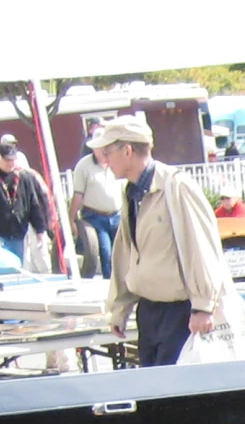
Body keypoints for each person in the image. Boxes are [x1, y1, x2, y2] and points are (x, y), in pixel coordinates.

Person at [91, 114, 227, 368]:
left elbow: (202, 247)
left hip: (180, 312)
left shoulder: (176, 186)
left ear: (127, 150)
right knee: (153, 392)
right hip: (149, 310)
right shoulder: (131, 192)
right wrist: (120, 307)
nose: (105, 161)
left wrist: (203, 306)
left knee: (175, 394)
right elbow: (125, 253)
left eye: (107, 152)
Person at [0, 136, 49, 266]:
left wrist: (40, 229)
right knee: (1, 268)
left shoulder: (24, 178)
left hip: (18, 233)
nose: (11, 164)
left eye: (13, 160)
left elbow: (34, 204)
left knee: (18, 267)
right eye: (7, 160)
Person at [68, 129, 124, 277]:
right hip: (95, 216)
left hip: (117, 214)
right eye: (101, 147)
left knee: (122, 252)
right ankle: (109, 284)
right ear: (94, 148)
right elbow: (78, 194)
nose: (105, 151)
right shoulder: (83, 166)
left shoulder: (115, 162)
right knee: (106, 251)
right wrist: (72, 219)